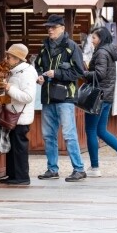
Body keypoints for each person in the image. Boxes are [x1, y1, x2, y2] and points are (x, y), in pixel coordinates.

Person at [35, 14, 87, 182]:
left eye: (53, 27)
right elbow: (37, 66)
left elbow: (79, 72)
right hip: (48, 97)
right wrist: (40, 76)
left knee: (69, 134)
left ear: (62, 28)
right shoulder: (43, 48)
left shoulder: (72, 47)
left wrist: (56, 73)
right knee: (48, 135)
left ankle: (79, 169)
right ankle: (52, 169)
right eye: (48, 27)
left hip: (66, 97)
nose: (50, 30)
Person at [83, 27, 117, 178]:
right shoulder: (109, 51)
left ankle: (95, 167)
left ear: (101, 38)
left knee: (91, 130)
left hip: (97, 97)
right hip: (107, 97)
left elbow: (100, 74)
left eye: (94, 38)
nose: (92, 40)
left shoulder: (101, 52)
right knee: (101, 130)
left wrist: (83, 73)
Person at [0, 44, 38, 185]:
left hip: (20, 116)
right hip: (14, 114)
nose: (6, 59)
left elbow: (28, 96)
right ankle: (13, 175)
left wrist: (9, 88)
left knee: (19, 147)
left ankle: (22, 177)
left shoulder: (25, 73)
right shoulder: (17, 71)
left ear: (16, 59)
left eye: (9, 57)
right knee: (13, 146)